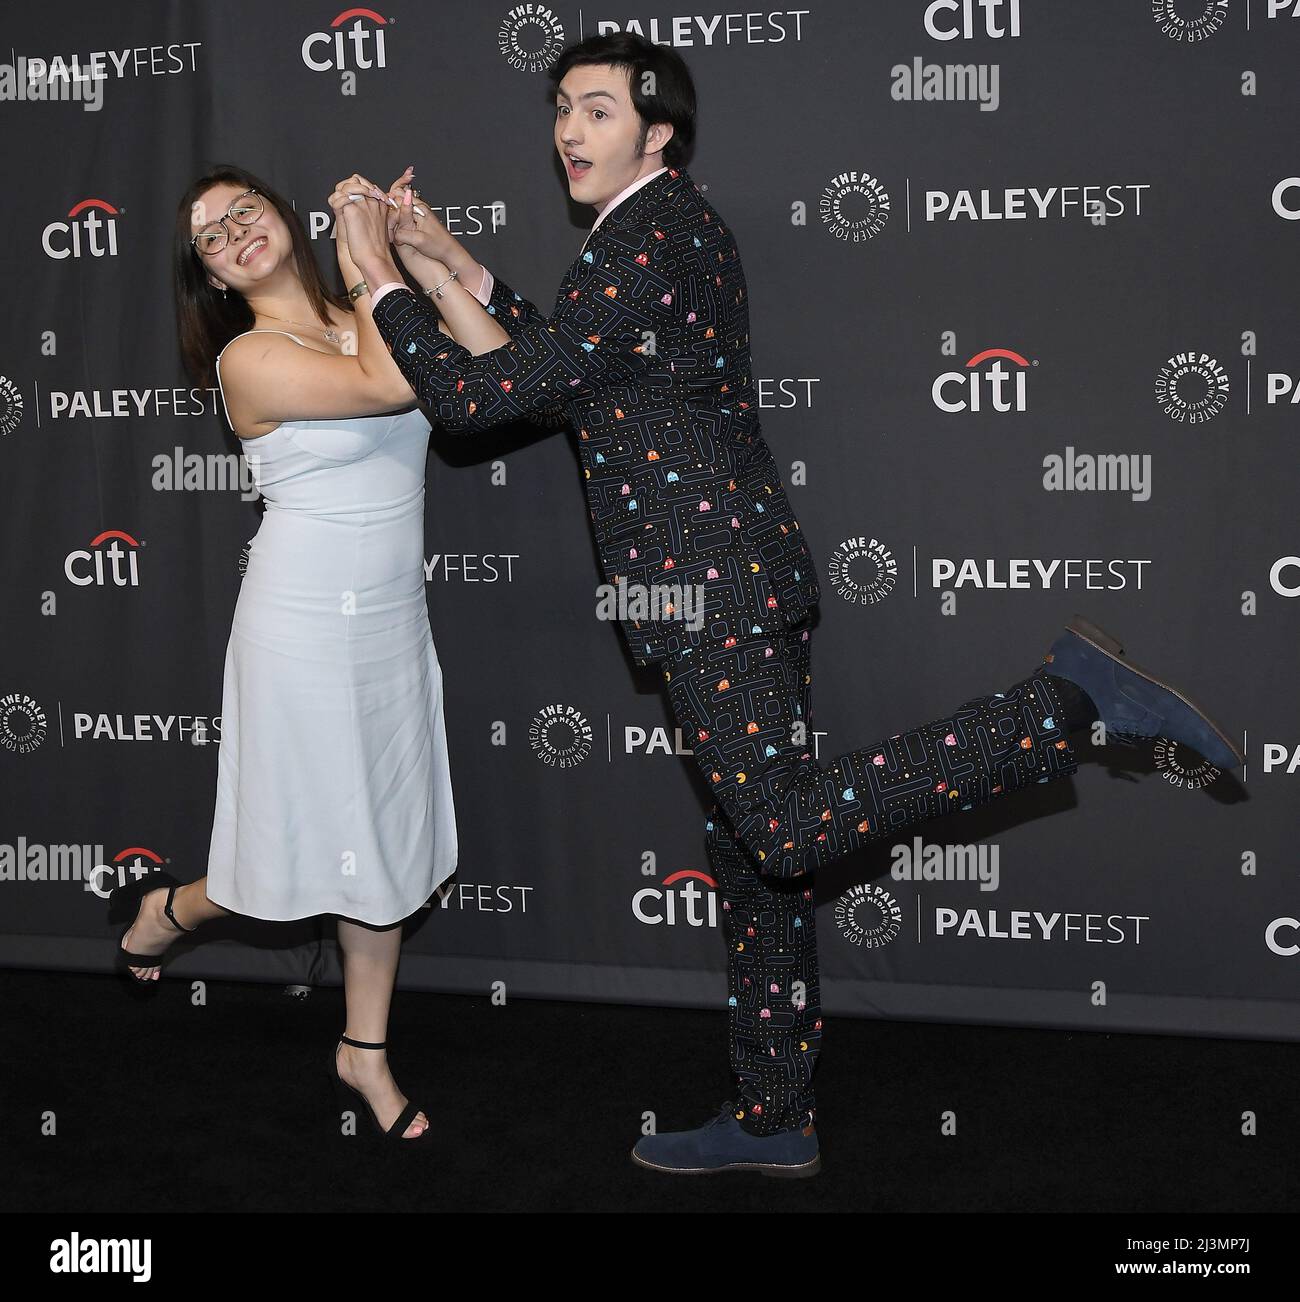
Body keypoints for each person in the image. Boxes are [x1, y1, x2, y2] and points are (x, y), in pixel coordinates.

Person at [335, 33, 1244, 1175]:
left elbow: (480, 403)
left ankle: (1063, 704)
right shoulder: (647, 234)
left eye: (601, 110)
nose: (571, 130)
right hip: (718, 579)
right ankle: (773, 1114)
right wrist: (442, 259)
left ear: (656, 132)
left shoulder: (653, 234)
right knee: (760, 859)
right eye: (563, 106)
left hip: (711, 583)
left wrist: (374, 274)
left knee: (780, 827)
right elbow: (566, 372)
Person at [110, 164, 479, 1143]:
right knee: (275, 863)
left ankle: (363, 1050)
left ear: (280, 213)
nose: (233, 234)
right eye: (210, 237)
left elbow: (488, 351)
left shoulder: (363, 301)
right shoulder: (247, 360)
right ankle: (174, 911)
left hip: (392, 622)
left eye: (244, 211)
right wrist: (370, 255)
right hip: (304, 631)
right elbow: (394, 377)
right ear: (213, 279)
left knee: (384, 845)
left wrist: (422, 243)